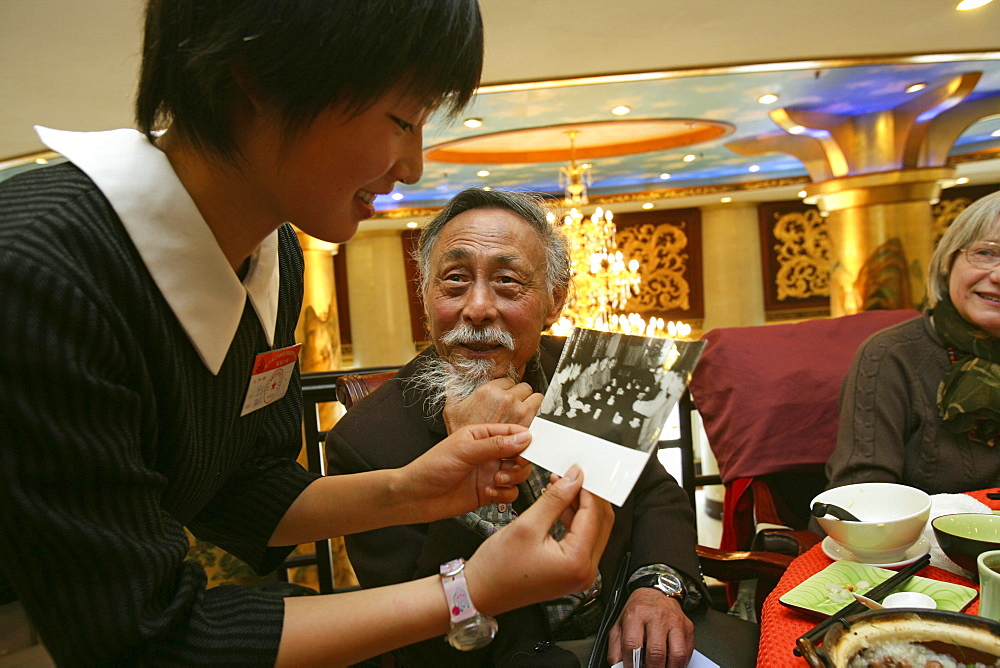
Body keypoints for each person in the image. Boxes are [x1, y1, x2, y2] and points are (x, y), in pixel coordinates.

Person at [0, 2, 614, 666]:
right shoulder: (39, 275)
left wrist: (411, 489)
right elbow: (141, 639)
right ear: (259, 80)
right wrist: (466, 593)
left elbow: (242, 484)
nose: (412, 165)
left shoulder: (274, 256)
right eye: (402, 121)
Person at [327, 188, 709, 668]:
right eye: (454, 280)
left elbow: (654, 493)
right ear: (425, 296)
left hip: (623, 632)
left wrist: (656, 588)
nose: (478, 308)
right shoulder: (364, 443)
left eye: (507, 281)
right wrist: (466, 458)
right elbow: (414, 640)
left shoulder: (591, 373)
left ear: (555, 300)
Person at [826, 190, 1000, 494]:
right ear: (948, 261)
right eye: (986, 253)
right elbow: (862, 495)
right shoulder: (891, 356)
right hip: (919, 540)